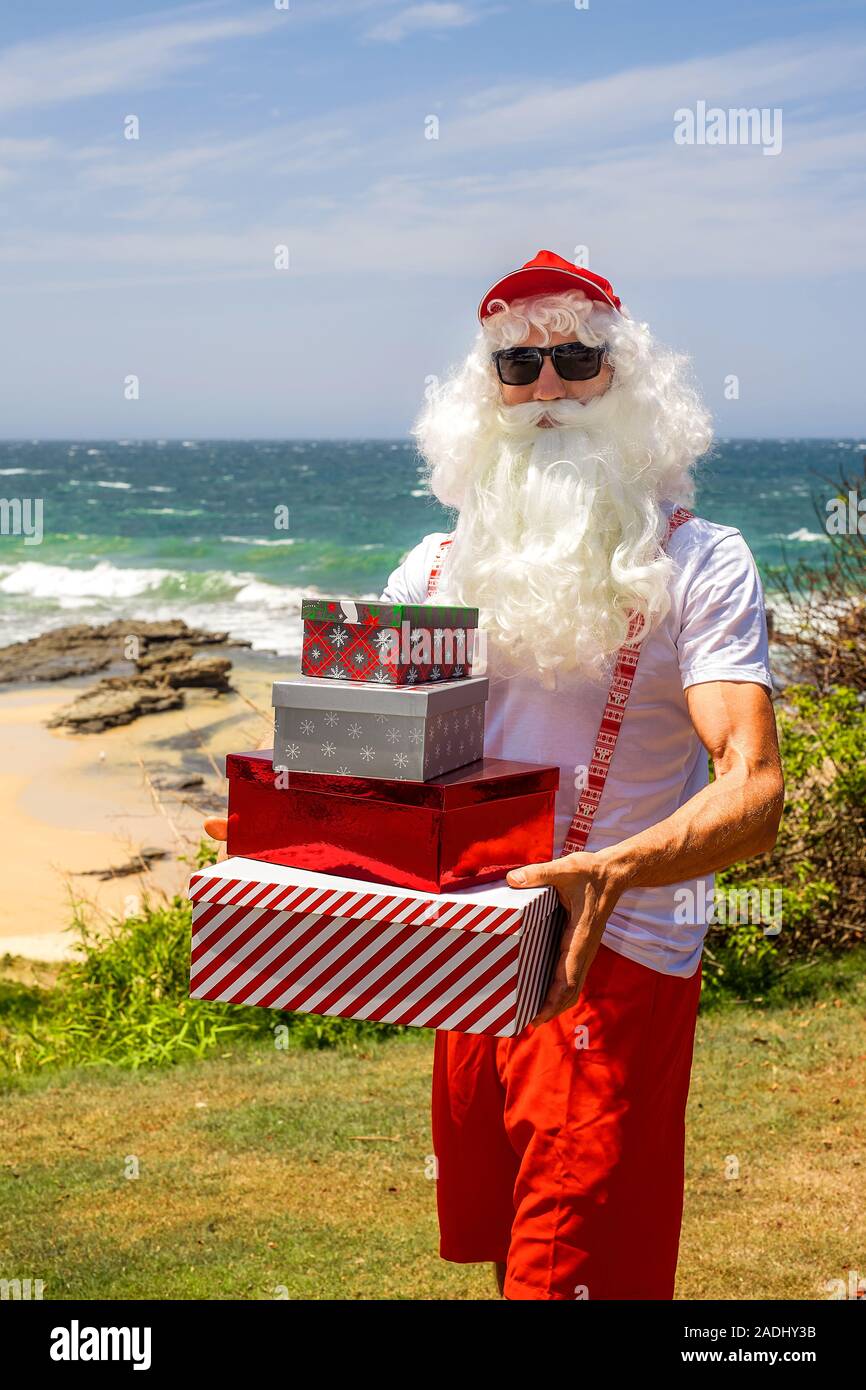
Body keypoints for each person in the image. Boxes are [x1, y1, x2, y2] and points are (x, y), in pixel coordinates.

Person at [205, 248, 784, 1301]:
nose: (547, 389)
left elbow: (751, 792)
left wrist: (613, 868)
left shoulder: (702, 562)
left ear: (628, 382)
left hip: (612, 961)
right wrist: (284, 824)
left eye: (576, 359)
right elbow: (377, 760)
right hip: (468, 964)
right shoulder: (430, 568)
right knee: (508, 1250)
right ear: (486, 395)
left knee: (567, 1271)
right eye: (518, 368)